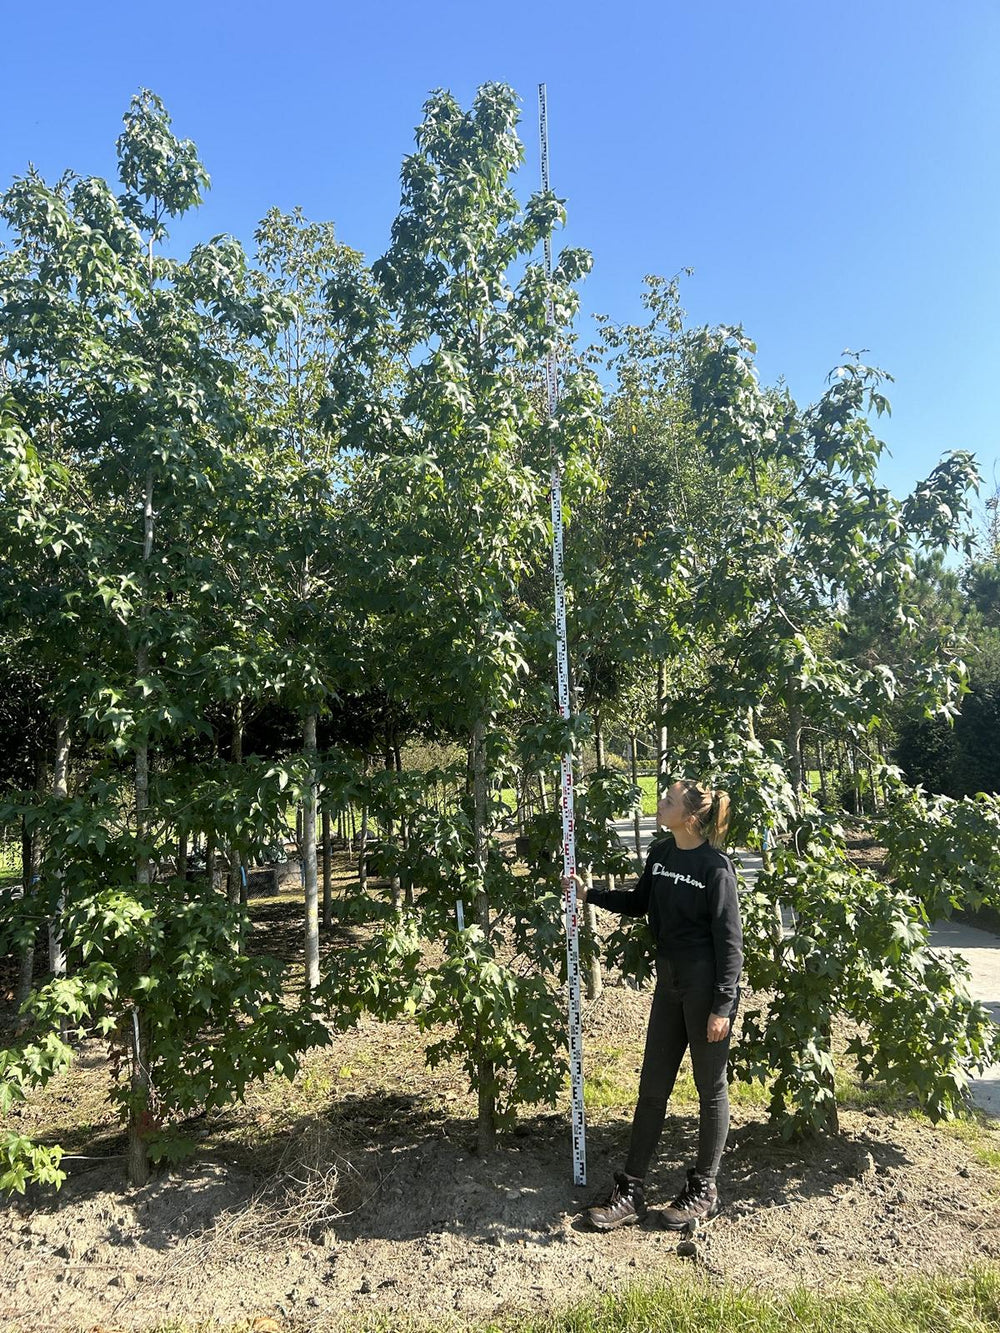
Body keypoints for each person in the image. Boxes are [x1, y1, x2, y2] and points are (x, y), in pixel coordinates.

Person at [564, 779, 743, 1231]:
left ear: (689, 816)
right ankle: (631, 1190)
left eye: (667, 800)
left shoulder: (714, 867)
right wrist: (591, 895)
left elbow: (730, 943)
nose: (658, 803)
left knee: (710, 1088)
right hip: (670, 985)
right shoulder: (662, 854)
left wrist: (722, 1005)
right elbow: (641, 902)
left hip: (706, 990)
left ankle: (704, 1188)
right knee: (652, 1088)